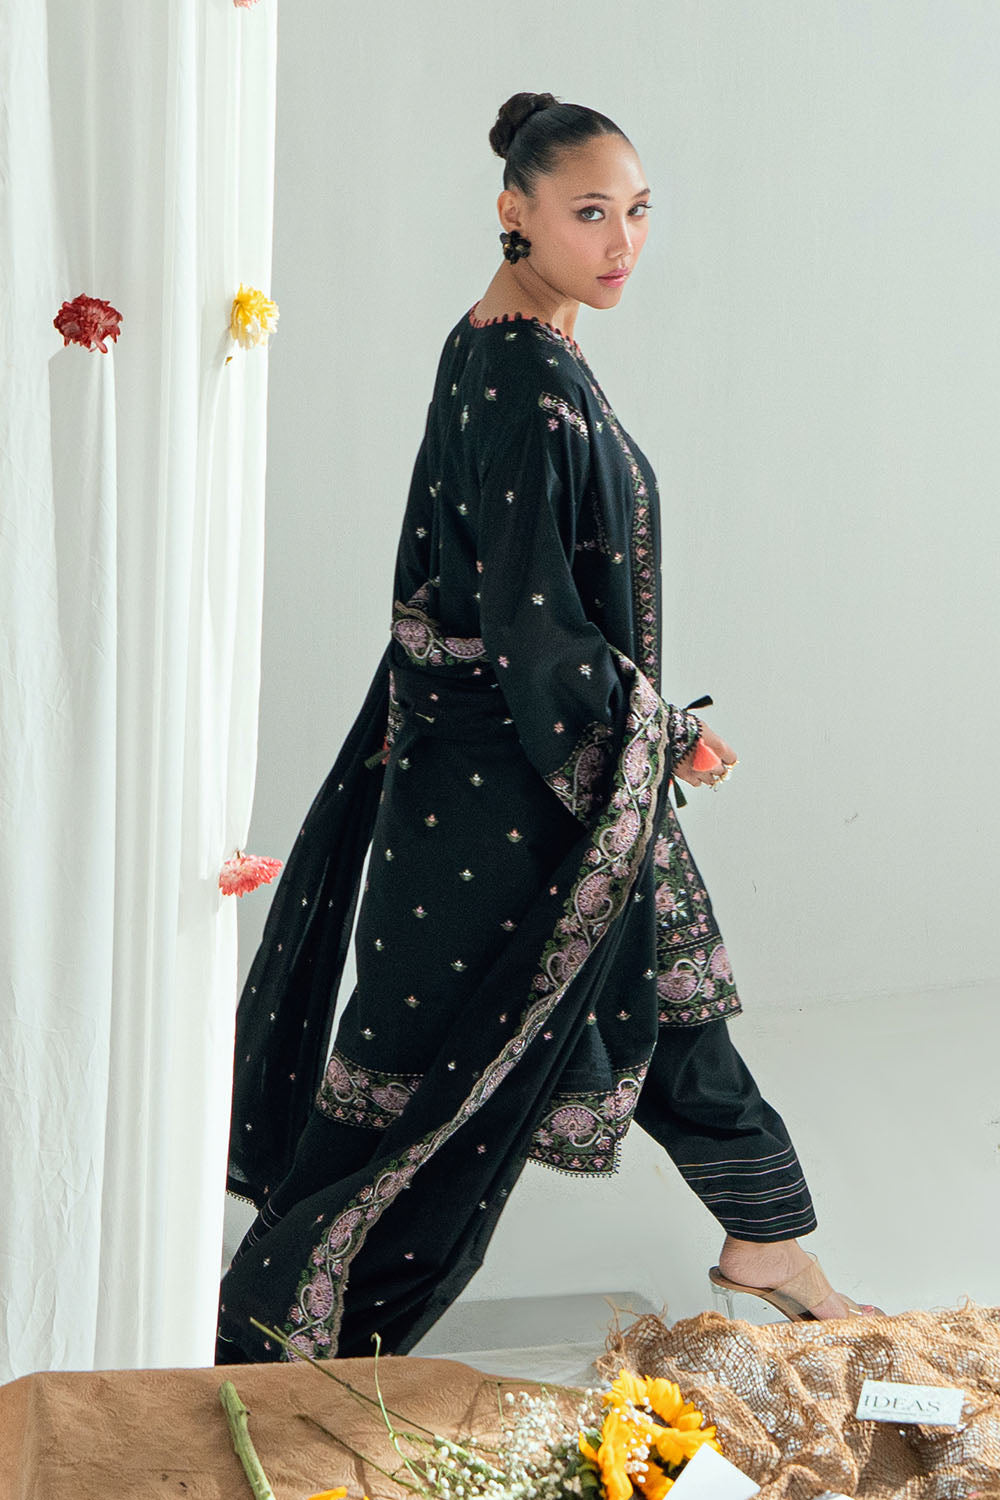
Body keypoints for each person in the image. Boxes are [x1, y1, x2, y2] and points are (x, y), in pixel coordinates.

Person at [217, 92, 874, 1365]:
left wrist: (640, 740)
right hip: (509, 781)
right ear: (513, 211)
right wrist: (662, 735)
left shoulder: (501, 340)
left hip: (540, 759)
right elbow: (530, 627)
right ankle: (275, 1342)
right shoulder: (523, 377)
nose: (622, 242)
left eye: (638, 212)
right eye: (588, 214)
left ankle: (768, 1237)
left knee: (661, 980)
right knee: (409, 1075)